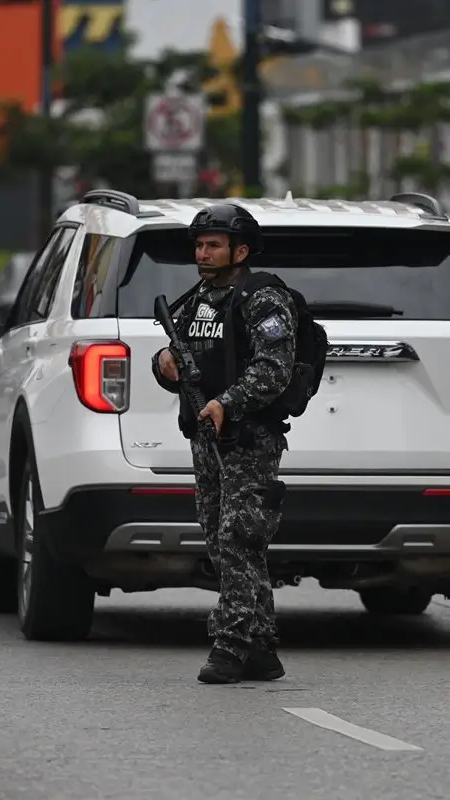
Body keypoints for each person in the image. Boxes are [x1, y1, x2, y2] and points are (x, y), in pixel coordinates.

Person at [151, 203, 297, 685]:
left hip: (248, 438)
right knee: (221, 540)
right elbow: (179, 355)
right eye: (199, 244)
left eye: (213, 244)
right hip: (206, 436)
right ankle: (262, 647)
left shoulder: (262, 297)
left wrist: (228, 404)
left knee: (239, 538)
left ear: (241, 249)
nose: (203, 253)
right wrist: (164, 364)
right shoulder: (198, 300)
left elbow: (274, 366)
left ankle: (231, 645)